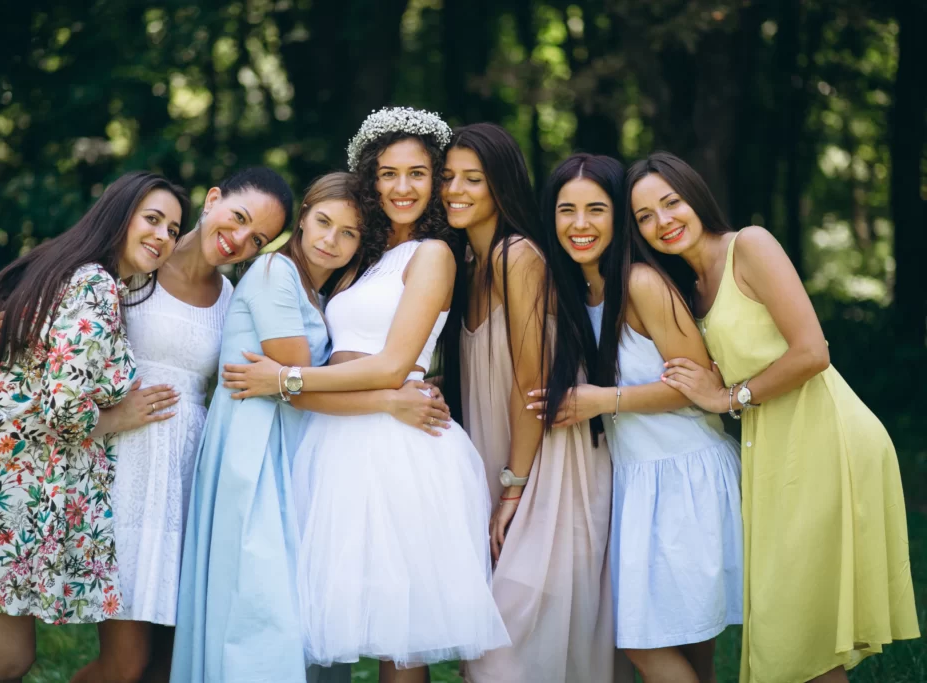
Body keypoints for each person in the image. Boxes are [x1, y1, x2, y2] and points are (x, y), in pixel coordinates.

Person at [0, 167, 294, 683]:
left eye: (257, 239)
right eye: (238, 217)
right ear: (213, 200)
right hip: (120, 470)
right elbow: (61, 326)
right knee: (126, 664)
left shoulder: (235, 299)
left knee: (167, 666)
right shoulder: (135, 266)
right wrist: (0, 329)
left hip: (188, 477)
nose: (239, 240)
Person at [227, 108, 510, 682]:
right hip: (337, 441)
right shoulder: (363, 258)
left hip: (398, 449)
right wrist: (294, 387)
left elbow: (393, 365)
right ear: (368, 178)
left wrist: (284, 381)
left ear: (434, 181)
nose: (401, 187)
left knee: (398, 637)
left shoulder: (432, 253)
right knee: (342, 619)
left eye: (417, 173)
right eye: (387, 174)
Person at [628, 151, 919, 683]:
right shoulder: (685, 287)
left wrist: (727, 399)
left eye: (671, 203)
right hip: (770, 450)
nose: (663, 222)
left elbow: (812, 352)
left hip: (826, 437)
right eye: (644, 216)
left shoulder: (750, 246)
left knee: (798, 629)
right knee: (793, 624)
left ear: (696, 196)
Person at [0, 171, 188, 681]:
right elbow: (64, 407)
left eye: (173, 229)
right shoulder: (95, 284)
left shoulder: (79, 275)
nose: (163, 236)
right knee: (4, 656)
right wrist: (119, 416)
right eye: (153, 219)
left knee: (3, 657)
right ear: (119, 215)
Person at [173, 171, 451, 683]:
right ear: (302, 220)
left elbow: (306, 383)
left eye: (348, 233)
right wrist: (390, 400)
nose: (331, 240)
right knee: (259, 605)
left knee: (298, 606)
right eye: (323, 222)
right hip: (254, 451)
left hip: (293, 444)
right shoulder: (274, 272)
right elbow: (300, 387)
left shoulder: (320, 292)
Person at [529, 153, 742, 682]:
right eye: (567, 211)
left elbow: (698, 386)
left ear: (618, 217)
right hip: (638, 481)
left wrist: (604, 400)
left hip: (683, 473)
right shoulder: (578, 292)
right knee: (687, 647)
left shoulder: (641, 282)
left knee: (644, 644)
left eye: (596, 210)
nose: (580, 225)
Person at [439, 126, 629, 682]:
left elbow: (532, 387)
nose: (455, 189)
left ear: (501, 186)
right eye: (448, 177)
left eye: (473, 179)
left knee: (510, 639)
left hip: (547, 462)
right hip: (503, 459)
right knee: (504, 635)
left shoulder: (515, 255)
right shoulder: (466, 265)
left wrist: (513, 486)